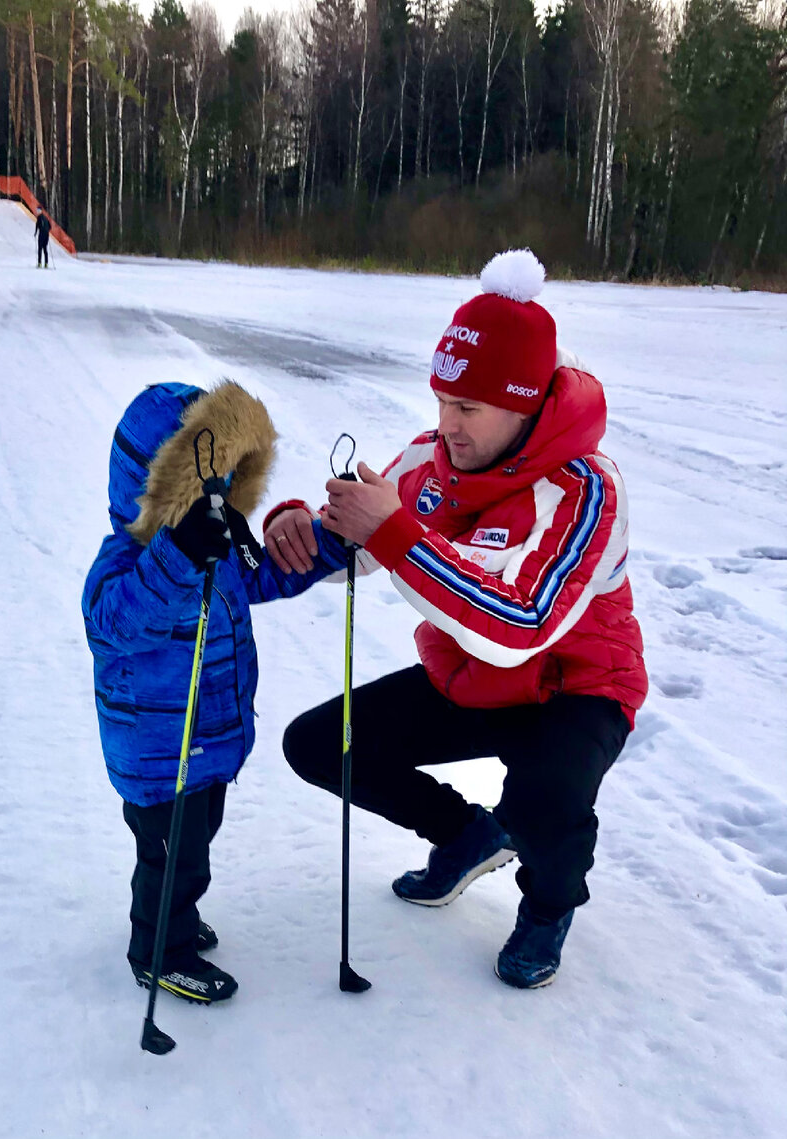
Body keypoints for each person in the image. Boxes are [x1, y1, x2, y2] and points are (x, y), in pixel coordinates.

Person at [267, 249, 647, 989]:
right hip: (476, 678)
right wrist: (304, 528)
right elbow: (360, 535)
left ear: (527, 403)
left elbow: (523, 623)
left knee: (543, 802)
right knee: (318, 744)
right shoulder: (434, 457)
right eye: (441, 400)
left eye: (467, 408)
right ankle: (466, 833)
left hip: (577, 688)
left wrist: (396, 533)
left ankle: (547, 904)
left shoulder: (587, 489)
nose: (446, 424)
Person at [83, 381, 348, 1004]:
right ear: (158, 482)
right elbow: (118, 622)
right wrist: (177, 555)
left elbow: (269, 575)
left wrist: (331, 544)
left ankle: (177, 918)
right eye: (206, 477)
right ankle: (157, 951)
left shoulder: (221, 546)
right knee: (171, 855)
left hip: (208, 742)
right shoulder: (124, 560)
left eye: (227, 476)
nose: (221, 492)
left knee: (194, 846)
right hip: (159, 752)